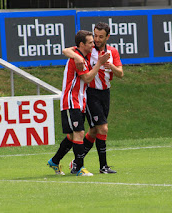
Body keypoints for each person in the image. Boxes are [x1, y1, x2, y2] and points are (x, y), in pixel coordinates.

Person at [47, 30, 110, 176]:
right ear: (82, 44)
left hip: (80, 101)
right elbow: (87, 78)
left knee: (72, 136)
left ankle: (54, 161)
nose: (93, 44)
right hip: (71, 101)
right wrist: (99, 63)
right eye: (90, 42)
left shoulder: (81, 55)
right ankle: (79, 168)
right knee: (79, 133)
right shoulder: (78, 60)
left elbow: (66, 50)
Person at [63, 22, 123, 174]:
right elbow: (66, 50)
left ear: (107, 37)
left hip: (105, 93)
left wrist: (112, 67)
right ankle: (103, 167)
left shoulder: (112, 52)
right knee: (102, 128)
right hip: (91, 94)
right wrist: (77, 56)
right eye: (95, 35)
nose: (96, 39)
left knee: (94, 132)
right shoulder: (90, 50)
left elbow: (121, 73)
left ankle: (76, 162)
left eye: (100, 36)